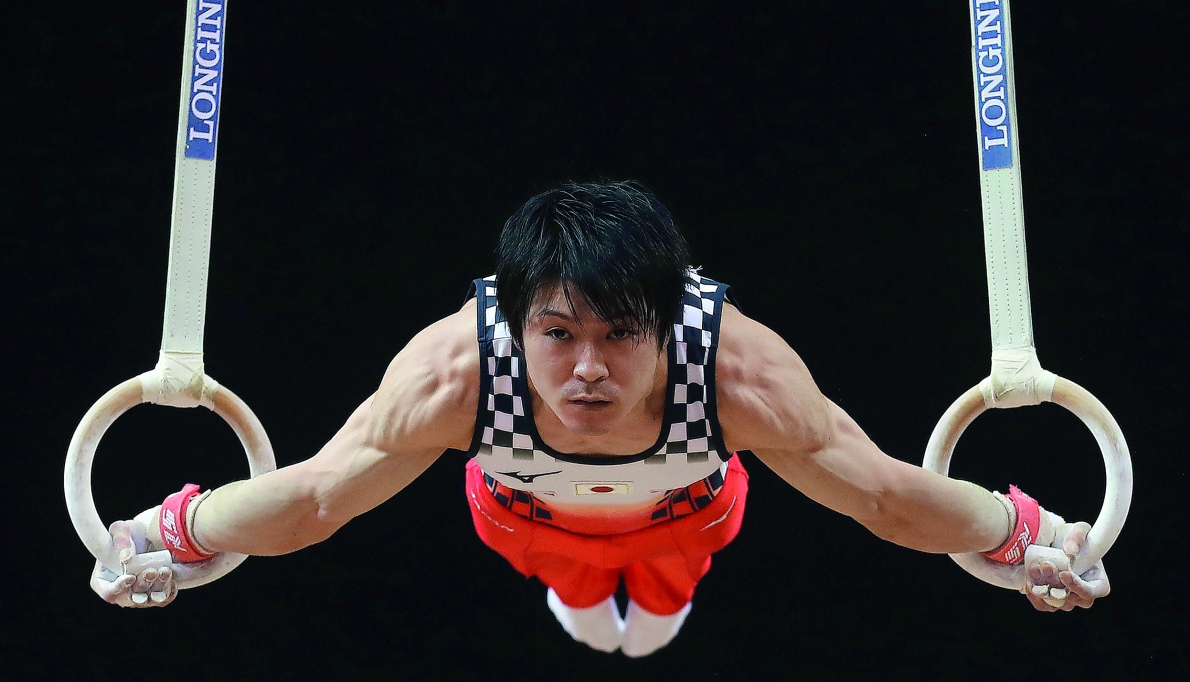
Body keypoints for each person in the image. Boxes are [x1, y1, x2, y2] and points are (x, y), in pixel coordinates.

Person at [92, 180, 1110, 656]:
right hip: (523, 520)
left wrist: (1025, 535)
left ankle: (643, 603)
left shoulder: (741, 376)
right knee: (575, 592)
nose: (587, 369)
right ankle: (577, 595)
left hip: (690, 517)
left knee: (658, 611)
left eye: (622, 334)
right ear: (514, 320)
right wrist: (170, 531)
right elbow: (316, 498)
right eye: (557, 333)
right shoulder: (452, 375)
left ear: (670, 320)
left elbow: (885, 498)